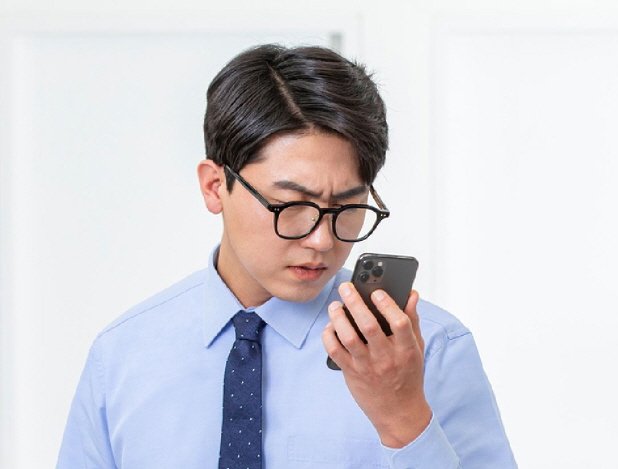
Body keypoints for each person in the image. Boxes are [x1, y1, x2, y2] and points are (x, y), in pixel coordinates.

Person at [56, 44, 517, 468]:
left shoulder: (430, 349)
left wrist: (403, 421)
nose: (321, 240)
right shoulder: (122, 355)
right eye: (291, 205)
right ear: (215, 186)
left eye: (348, 206)